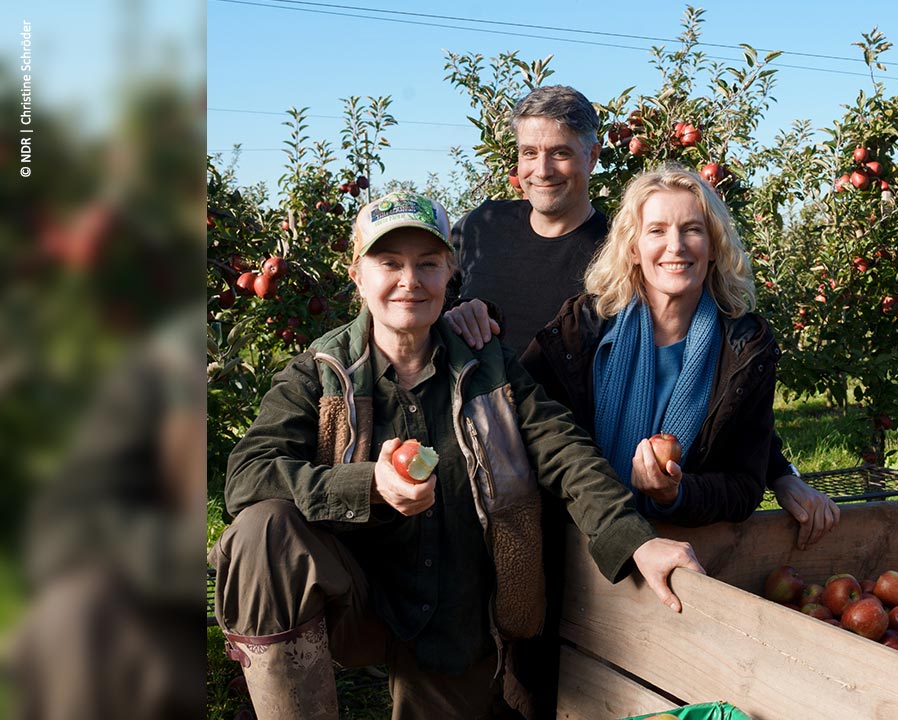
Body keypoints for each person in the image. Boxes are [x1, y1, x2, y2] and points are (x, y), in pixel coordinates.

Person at [208, 191, 704, 720]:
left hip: (453, 612)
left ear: (450, 271)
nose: (409, 280)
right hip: (348, 597)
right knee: (263, 528)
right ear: (357, 274)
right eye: (389, 263)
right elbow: (245, 477)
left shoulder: (490, 368)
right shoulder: (321, 373)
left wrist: (635, 541)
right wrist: (367, 485)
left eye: (427, 264)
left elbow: (566, 452)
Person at [447, 85, 838, 545]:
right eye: (528, 152)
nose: (542, 169)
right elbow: (428, 305)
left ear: (592, 157)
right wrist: (453, 313)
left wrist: (780, 473)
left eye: (559, 153)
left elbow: (728, 405)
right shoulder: (480, 228)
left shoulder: (617, 266)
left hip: (579, 508)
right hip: (486, 470)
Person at [522, 165, 780, 526]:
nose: (675, 245)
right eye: (657, 230)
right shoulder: (581, 329)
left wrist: (678, 493)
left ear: (713, 248)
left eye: (692, 229)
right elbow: (531, 431)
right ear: (633, 249)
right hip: (579, 545)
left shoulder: (744, 348)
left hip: (687, 553)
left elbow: (744, 485)